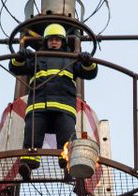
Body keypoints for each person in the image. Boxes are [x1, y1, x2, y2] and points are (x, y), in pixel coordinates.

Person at [10, 23, 98, 179]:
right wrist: (20, 57)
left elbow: (89, 73)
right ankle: (27, 167)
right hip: (38, 107)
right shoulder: (36, 57)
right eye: (51, 39)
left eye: (57, 39)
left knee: (67, 139)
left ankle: (69, 167)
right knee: (32, 137)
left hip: (63, 108)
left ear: (62, 42)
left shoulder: (71, 59)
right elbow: (17, 68)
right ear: (46, 41)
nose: (54, 42)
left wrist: (87, 61)